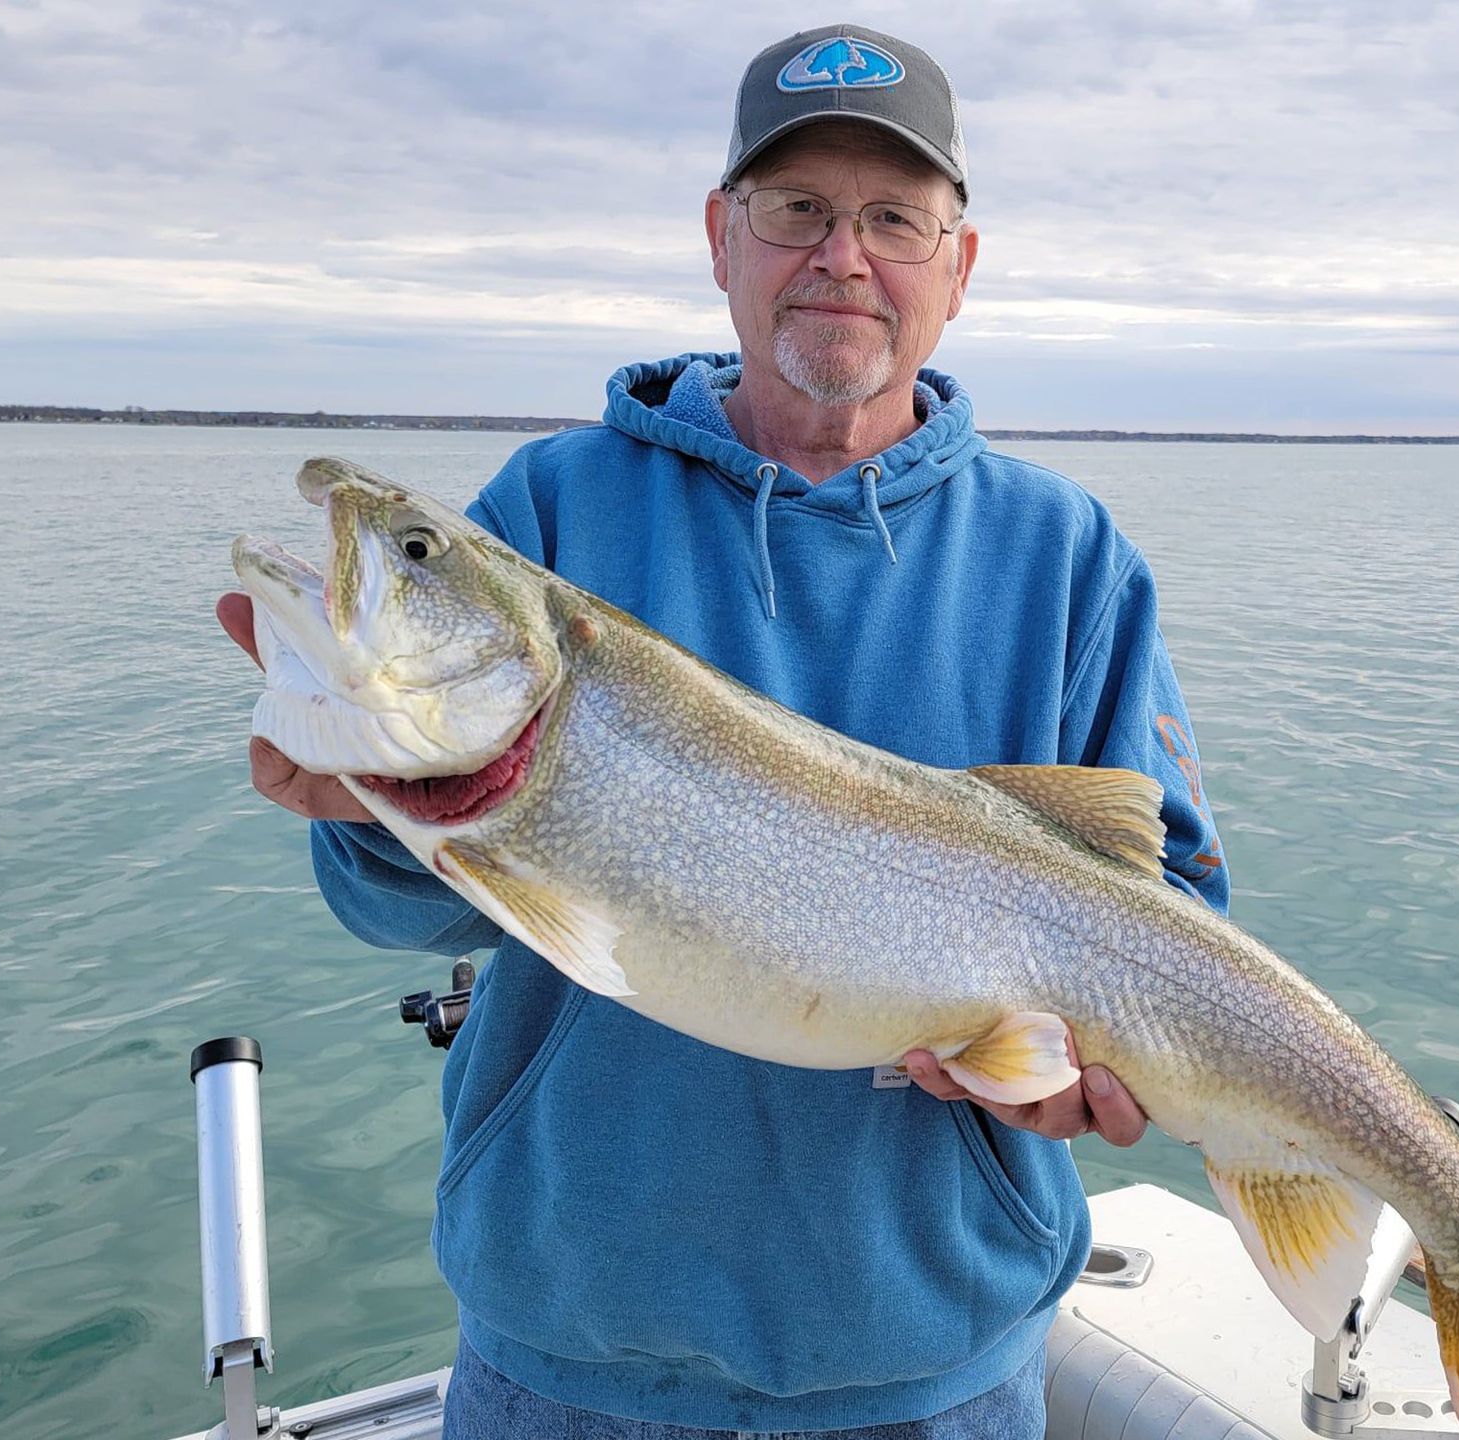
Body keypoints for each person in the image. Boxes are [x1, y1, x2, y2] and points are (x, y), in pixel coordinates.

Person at [217, 23, 1227, 1440]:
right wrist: (368, 810)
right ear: (721, 238)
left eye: (892, 218)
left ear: (960, 262)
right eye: (796, 210)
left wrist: (1089, 1079)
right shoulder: (554, 510)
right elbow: (400, 914)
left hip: (935, 1368)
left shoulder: (1067, 558)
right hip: (563, 1358)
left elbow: (1169, 906)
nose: (842, 256)